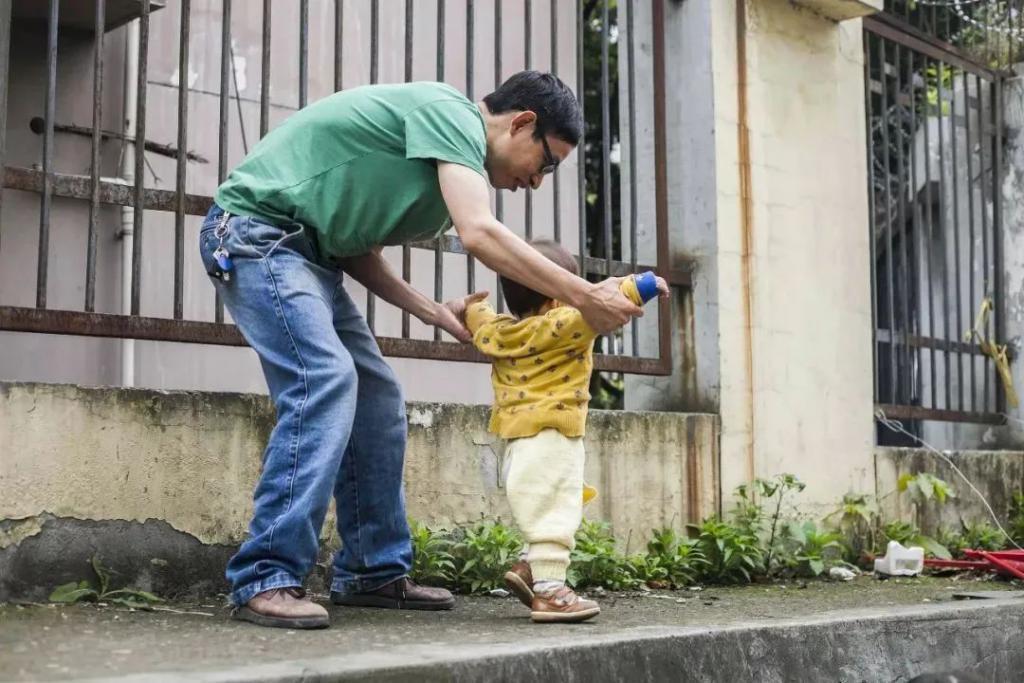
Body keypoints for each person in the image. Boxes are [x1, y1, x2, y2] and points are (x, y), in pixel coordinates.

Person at [198, 71, 644, 629]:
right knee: (325, 379)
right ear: (522, 122)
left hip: (311, 256)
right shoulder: (451, 113)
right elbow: (480, 232)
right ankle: (265, 576)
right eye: (546, 163)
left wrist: (431, 310)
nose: (537, 182)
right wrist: (585, 295)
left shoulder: (444, 173)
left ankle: (372, 571)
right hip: (254, 235)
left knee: (378, 398)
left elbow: (354, 248)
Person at [464, 239, 668, 623]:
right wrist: (645, 285)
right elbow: (607, 303)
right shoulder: (564, 324)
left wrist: (470, 306)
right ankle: (550, 594)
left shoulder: (500, 333)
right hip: (554, 434)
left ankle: (529, 568)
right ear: (558, 295)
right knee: (554, 517)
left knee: (550, 503)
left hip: (518, 442)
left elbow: (478, 319)